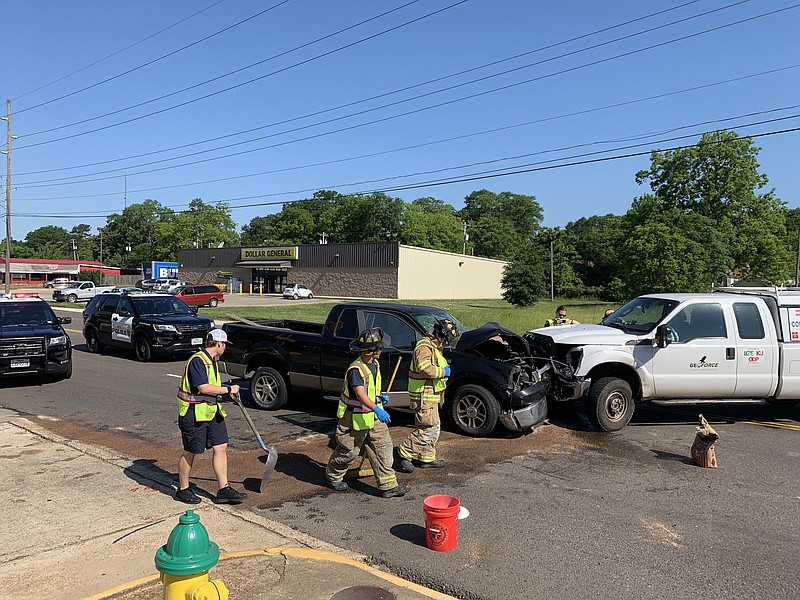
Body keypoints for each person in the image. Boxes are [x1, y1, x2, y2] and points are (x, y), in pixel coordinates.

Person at [325, 327, 411, 498]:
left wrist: (379, 398)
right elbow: (360, 394)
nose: (382, 350)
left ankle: (388, 486)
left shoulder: (374, 364)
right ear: (372, 350)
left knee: (383, 448)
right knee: (349, 452)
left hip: (372, 417)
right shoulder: (356, 369)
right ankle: (333, 476)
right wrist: (377, 408)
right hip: (354, 419)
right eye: (380, 348)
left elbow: (369, 391)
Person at [175, 328, 248, 505]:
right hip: (193, 414)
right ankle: (183, 489)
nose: (225, 349)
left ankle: (224, 489)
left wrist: (224, 391)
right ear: (218, 344)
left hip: (211, 411)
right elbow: (203, 388)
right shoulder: (198, 361)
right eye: (224, 345)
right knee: (191, 451)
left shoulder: (211, 361)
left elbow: (211, 387)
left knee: (221, 446)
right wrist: (229, 389)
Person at [395, 318, 458, 473]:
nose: (446, 342)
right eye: (446, 339)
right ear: (441, 334)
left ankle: (426, 458)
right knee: (427, 428)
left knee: (434, 427)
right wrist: (443, 372)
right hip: (423, 394)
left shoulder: (435, 346)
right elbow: (425, 369)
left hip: (431, 395)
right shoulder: (424, 347)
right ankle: (404, 453)